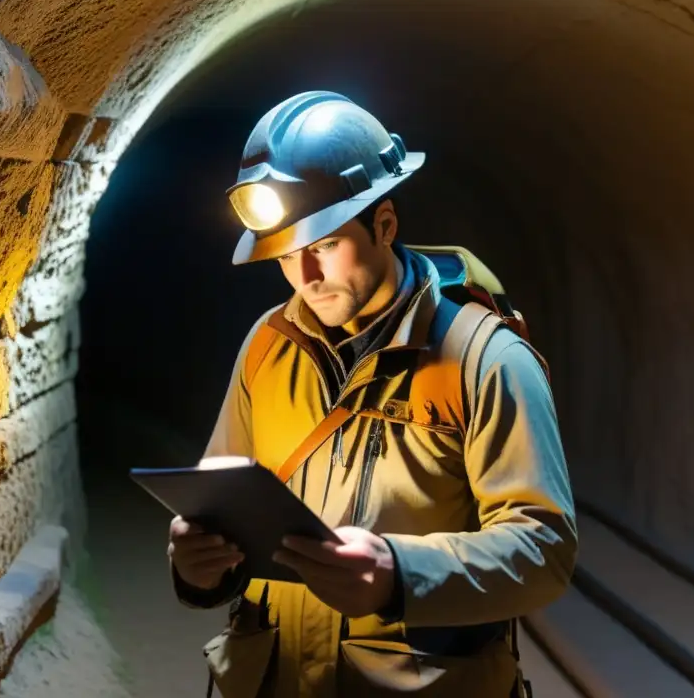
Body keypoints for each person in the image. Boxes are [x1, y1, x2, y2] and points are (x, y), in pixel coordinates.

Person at [167, 91, 578, 698]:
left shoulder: (486, 359)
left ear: (384, 224)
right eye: (286, 254)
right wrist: (197, 563)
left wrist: (400, 574)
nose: (306, 278)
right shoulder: (267, 346)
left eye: (326, 246)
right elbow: (220, 501)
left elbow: (544, 549)